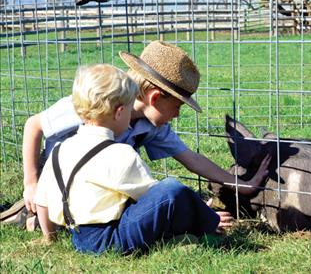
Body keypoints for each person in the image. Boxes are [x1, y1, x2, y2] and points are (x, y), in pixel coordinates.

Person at [18, 40, 269, 223]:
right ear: (155, 97)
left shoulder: (150, 125)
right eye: (177, 106)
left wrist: (241, 186)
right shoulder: (93, 103)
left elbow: (191, 158)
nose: (177, 114)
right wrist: (31, 183)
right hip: (55, 186)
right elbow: (34, 125)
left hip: (94, 198)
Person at [34, 63, 230, 254]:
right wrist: (201, 214)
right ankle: (209, 227)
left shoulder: (59, 150)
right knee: (172, 189)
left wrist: (49, 238)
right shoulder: (120, 153)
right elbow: (157, 200)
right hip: (113, 239)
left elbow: (42, 200)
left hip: (78, 238)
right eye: (129, 109)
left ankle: (177, 238)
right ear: (120, 113)